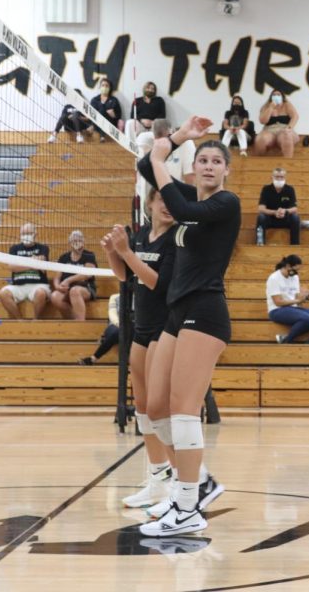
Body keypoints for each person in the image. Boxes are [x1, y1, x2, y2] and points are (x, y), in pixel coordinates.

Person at [135, 115, 240, 536]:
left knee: (183, 411)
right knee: (155, 408)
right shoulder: (190, 199)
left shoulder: (223, 204)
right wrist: (178, 138)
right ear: (194, 166)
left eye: (217, 160)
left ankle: (186, 507)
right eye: (203, 159)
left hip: (206, 312)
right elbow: (147, 169)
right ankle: (200, 484)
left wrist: (163, 158)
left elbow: (177, 205)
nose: (210, 165)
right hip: (176, 313)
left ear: (226, 170)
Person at [101, 185, 178, 509]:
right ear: (150, 202)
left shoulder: (176, 240)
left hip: (166, 327)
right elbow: (126, 277)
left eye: (173, 202)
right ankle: (157, 478)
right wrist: (112, 253)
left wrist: (127, 253)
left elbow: (157, 283)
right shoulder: (142, 234)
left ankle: (183, 481)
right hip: (141, 327)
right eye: (162, 199)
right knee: (144, 407)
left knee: (163, 408)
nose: (167, 207)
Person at [0, 223, 50, 319]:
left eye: (29, 233)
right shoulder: (14, 248)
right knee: (2, 293)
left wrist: (21, 264)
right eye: (23, 233)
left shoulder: (43, 248)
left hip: (38, 285)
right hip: (18, 286)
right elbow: (12, 267)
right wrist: (33, 263)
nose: (26, 236)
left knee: (40, 293)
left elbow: (42, 263)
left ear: (35, 234)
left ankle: (36, 320)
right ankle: (19, 321)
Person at [266, 254, 309, 343]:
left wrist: (307, 295)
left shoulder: (294, 277)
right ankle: (287, 340)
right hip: (277, 310)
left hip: (293, 308)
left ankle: (305, 340)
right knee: (306, 318)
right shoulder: (274, 278)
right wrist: (297, 301)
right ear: (288, 266)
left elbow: (297, 298)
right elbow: (278, 302)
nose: (296, 273)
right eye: (295, 270)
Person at [50, 230, 97, 321]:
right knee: (55, 296)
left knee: (74, 291)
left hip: (86, 288)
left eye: (79, 240)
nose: (77, 243)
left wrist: (68, 280)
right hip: (67, 289)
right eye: (74, 241)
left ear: (83, 242)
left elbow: (88, 274)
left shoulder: (89, 255)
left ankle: (80, 322)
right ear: (70, 243)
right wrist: (57, 286)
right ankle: (73, 321)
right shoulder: (64, 257)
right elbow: (57, 277)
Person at [256, 167, 300, 245]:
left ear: (285, 177)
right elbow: (261, 208)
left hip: (285, 218)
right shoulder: (266, 189)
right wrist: (274, 212)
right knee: (261, 217)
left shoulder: (290, 189)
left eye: (281, 177)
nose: (279, 179)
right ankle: (260, 243)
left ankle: (295, 245)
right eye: (277, 177)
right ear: (272, 177)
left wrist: (285, 211)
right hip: (270, 219)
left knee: (295, 217)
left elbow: (294, 208)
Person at [78, 293, 120, 366]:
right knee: (118, 332)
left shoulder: (141, 297)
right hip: (116, 325)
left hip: (133, 327)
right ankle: (93, 358)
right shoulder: (115, 297)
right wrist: (121, 325)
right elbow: (112, 315)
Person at [255, 89, 299, 158]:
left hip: (284, 129)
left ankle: (288, 162)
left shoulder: (287, 105)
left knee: (286, 136)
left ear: (282, 97)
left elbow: (295, 116)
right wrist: (270, 108)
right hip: (269, 130)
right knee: (261, 139)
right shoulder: (266, 106)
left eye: (278, 95)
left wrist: (289, 128)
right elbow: (262, 121)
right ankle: (260, 162)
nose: (276, 96)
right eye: (274, 95)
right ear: (271, 97)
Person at [87, 77, 122, 143]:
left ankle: (93, 127)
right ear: (100, 87)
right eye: (103, 85)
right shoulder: (94, 100)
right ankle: (102, 136)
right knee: (102, 110)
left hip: (109, 124)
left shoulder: (114, 100)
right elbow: (90, 113)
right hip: (97, 123)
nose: (104, 87)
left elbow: (119, 115)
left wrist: (114, 115)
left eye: (107, 86)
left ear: (110, 88)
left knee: (102, 110)